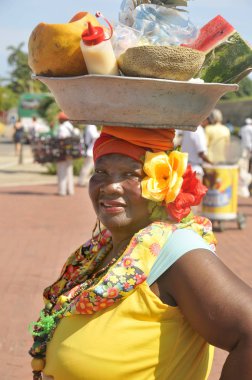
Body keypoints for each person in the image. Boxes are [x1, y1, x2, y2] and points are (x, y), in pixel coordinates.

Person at [29, 126, 252, 380]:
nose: (111, 187)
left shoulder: (175, 251)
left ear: (162, 185)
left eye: (130, 174)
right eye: (101, 171)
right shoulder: (100, 251)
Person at [56, 112, 76, 196]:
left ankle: (62, 191)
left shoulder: (62, 127)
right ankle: (70, 190)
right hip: (70, 152)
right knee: (69, 170)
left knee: (62, 171)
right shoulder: (71, 127)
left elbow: (61, 139)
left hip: (63, 152)